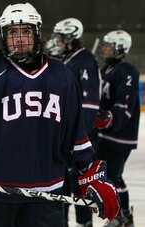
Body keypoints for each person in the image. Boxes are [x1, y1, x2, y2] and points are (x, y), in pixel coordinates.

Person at [0, 3, 119, 227]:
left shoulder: (61, 76)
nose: (19, 39)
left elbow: (76, 136)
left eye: (25, 31)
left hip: (44, 198)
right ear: (3, 36)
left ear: (36, 33)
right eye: (12, 32)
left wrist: (92, 176)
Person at [53, 18, 101, 227]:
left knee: (80, 180)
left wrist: (80, 134)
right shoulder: (68, 59)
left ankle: (84, 222)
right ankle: (59, 220)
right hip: (64, 132)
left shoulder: (84, 60)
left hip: (77, 134)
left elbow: (89, 103)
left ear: (71, 36)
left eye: (60, 36)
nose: (57, 40)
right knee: (61, 178)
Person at [95, 30, 140, 227]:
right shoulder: (106, 70)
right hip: (106, 134)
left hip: (120, 135)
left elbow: (125, 104)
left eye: (109, 45)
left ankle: (120, 216)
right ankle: (122, 216)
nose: (105, 49)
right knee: (111, 176)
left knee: (112, 176)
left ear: (120, 48)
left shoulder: (127, 70)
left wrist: (110, 118)